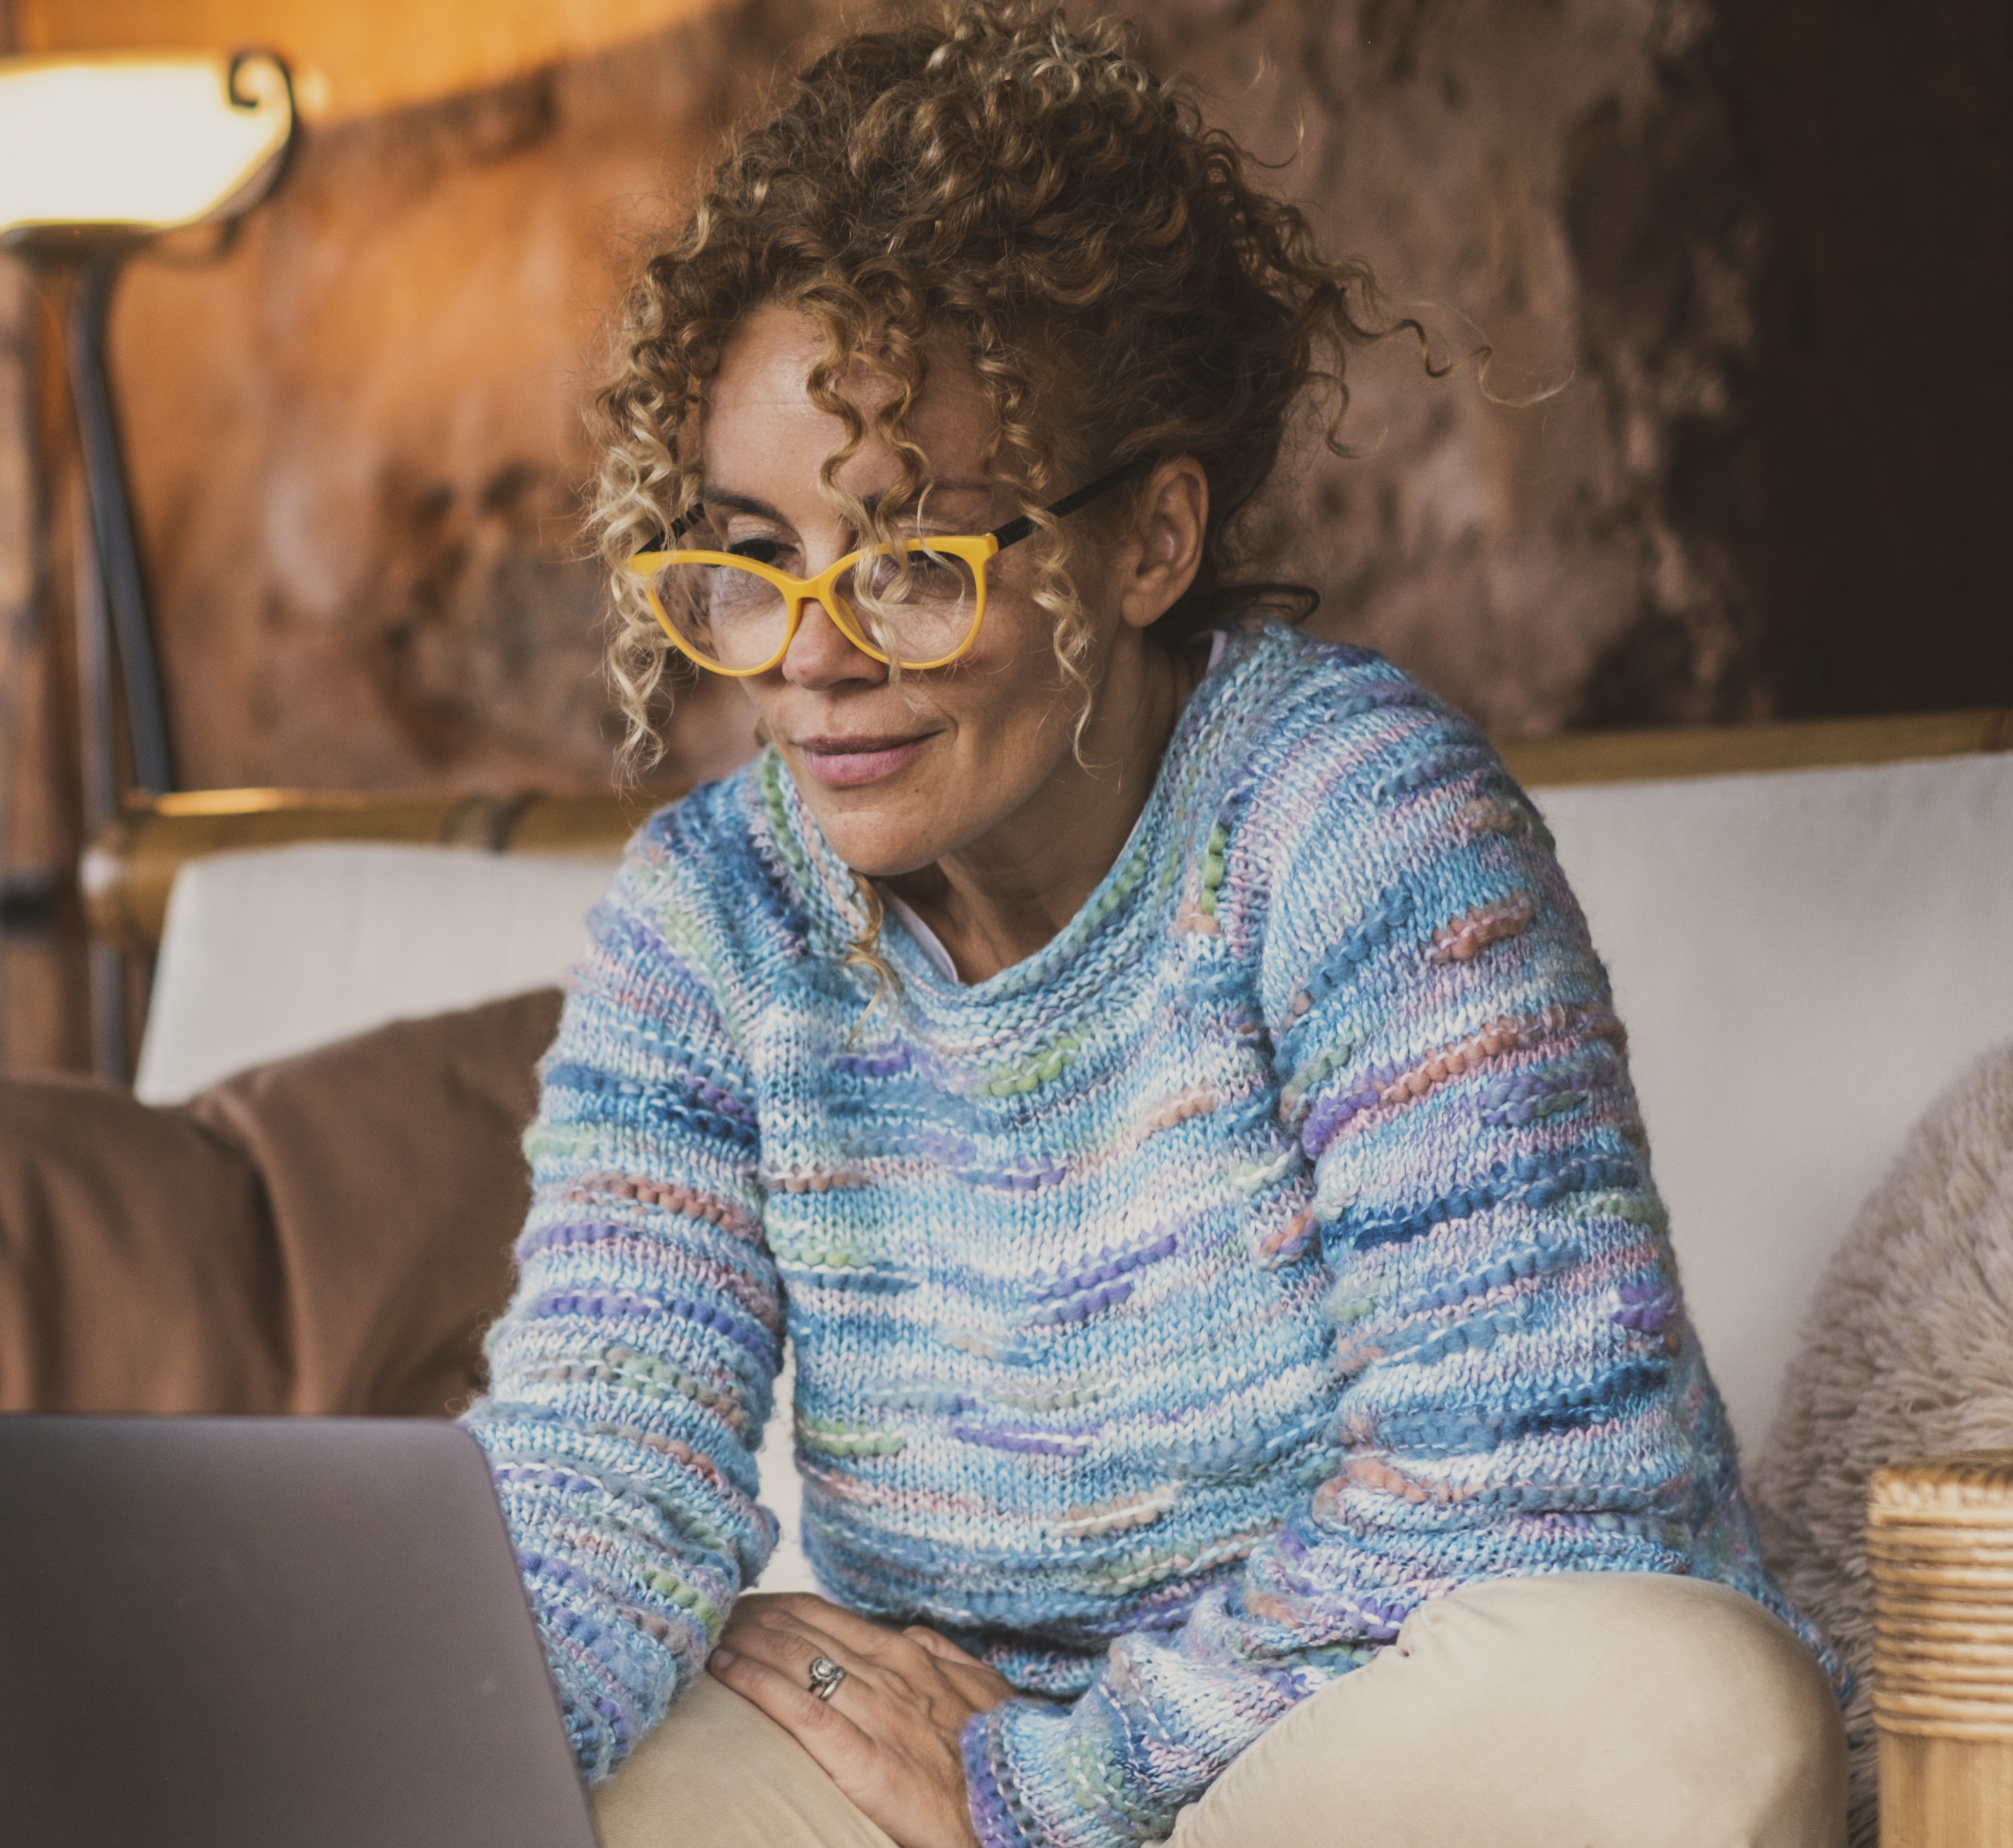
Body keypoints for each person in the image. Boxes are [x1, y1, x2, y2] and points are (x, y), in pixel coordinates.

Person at [460, 7, 1850, 1844]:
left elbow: (1541, 1488)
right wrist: (405, 1753)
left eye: (906, 559)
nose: (810, 656)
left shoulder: (1351, 822)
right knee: (572, 1769)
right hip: (939, 1761)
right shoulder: (710, 920)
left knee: (1689, 1711)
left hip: (1345, 1733)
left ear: (1146, 543)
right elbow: (595, 1474)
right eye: (753, 557)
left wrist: (1050, 1784)